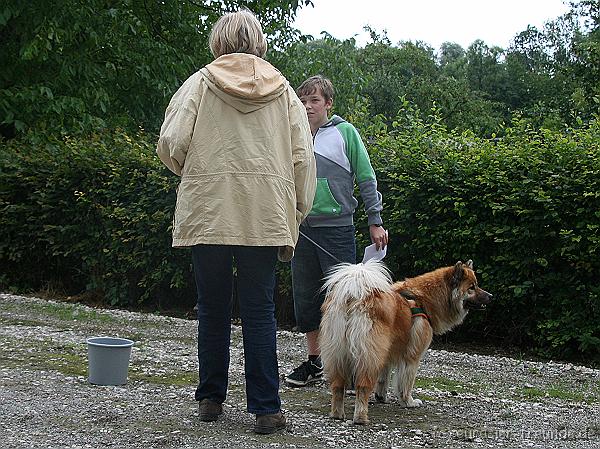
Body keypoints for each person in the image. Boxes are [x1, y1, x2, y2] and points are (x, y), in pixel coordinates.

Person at [156, 9, 316, 434]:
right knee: (260, 309)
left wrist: (195, 174)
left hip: (209, 208)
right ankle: (266, 408)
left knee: (212, 305)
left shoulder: (200, 83)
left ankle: (210, 398)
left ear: (218, 41)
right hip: (264, 213)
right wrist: (297, 209)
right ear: (259, 42)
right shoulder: (284, 92)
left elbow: (171, 141)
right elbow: (303, 158)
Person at [285, 75, 388, 387]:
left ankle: (350, 365)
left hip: (337, 229)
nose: (307, 106)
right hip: (301, 229)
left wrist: (375, 220)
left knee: (345, 300)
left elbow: (366, 177)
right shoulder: (292, 134)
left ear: (328, 103)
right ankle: (316, 362)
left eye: (314, 100)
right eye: (303, 101)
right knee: (305, 299)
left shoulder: (346, 133)